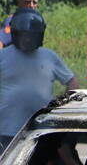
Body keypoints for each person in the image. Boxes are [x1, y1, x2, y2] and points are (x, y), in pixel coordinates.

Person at [0, 8, 79, 152]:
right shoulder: (3, 56)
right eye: (24, 35)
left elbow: (72, 82)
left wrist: (62, 106)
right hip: (6, 129)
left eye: (32, 36)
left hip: (39, 129)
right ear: (15, 34)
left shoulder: (49, 56)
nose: (28, 39)